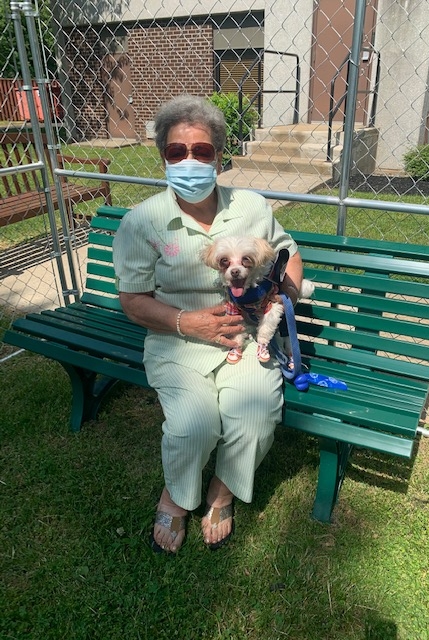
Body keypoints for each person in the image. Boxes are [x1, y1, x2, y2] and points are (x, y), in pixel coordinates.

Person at [112, 94, 305, 553]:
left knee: (256, 414)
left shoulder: (252, 206)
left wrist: (286, 294)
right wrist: (185, 323)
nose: (190, 161)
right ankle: (178, 498)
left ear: (219, 155)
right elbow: (133, 301)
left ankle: (222, 488)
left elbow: (289, 252)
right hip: (176, 343)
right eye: (176, 152)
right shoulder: (143, 221)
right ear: (163, 156)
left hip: (247, 336)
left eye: (202, 151)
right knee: (193, 424)